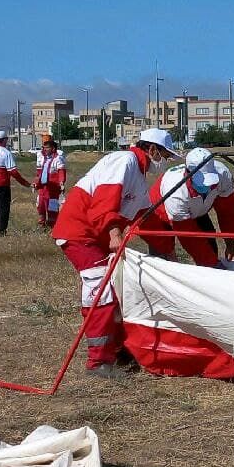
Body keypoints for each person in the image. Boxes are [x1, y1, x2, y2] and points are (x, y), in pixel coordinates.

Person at [52, 128, 179, 378]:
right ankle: (98, 363)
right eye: (164, 155)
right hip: (81, 233)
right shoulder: (124, 161)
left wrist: (168, 251)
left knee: (118, 291)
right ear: (152, 150)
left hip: (97, 236)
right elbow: (104, 200)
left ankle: (119, 351)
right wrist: (113, 233)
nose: (164, 162)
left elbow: (147, 219)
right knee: (100, 293)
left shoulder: (139, 179)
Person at [144, 147, 234, 267]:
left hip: (196, 211)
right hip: (159, 212)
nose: (208, 186)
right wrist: (211, 264)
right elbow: (189, 237)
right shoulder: (176, 192)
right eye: (202, 181)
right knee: (163, 262)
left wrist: (230, 243)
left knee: (210, 248)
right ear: (188, 173)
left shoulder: (223, 175)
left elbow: (228, 213)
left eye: (211, 181)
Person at [34, 137, 68, 228]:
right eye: (44, 147)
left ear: (53, 148)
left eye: (47, 147)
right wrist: (36, 183)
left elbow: (61, 172)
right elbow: (38, 173)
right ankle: (41, 224)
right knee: (40, 204)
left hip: (53, 188)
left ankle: (52, 226)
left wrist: (61, 182)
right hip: (43, 187)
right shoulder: (42, 158)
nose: (45, 149)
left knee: (52, 206)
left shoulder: (58, 158)